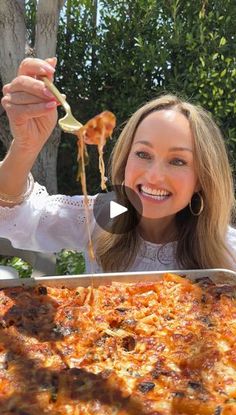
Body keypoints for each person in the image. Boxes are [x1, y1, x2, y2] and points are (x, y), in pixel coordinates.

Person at [0, 57, 235, 273]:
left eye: (178, 161)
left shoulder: (228, 251)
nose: (154, 176)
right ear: (125, 160)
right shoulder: (104, 214)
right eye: (143, 154)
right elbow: (17, 217)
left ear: (202, 179)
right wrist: (25, 146)